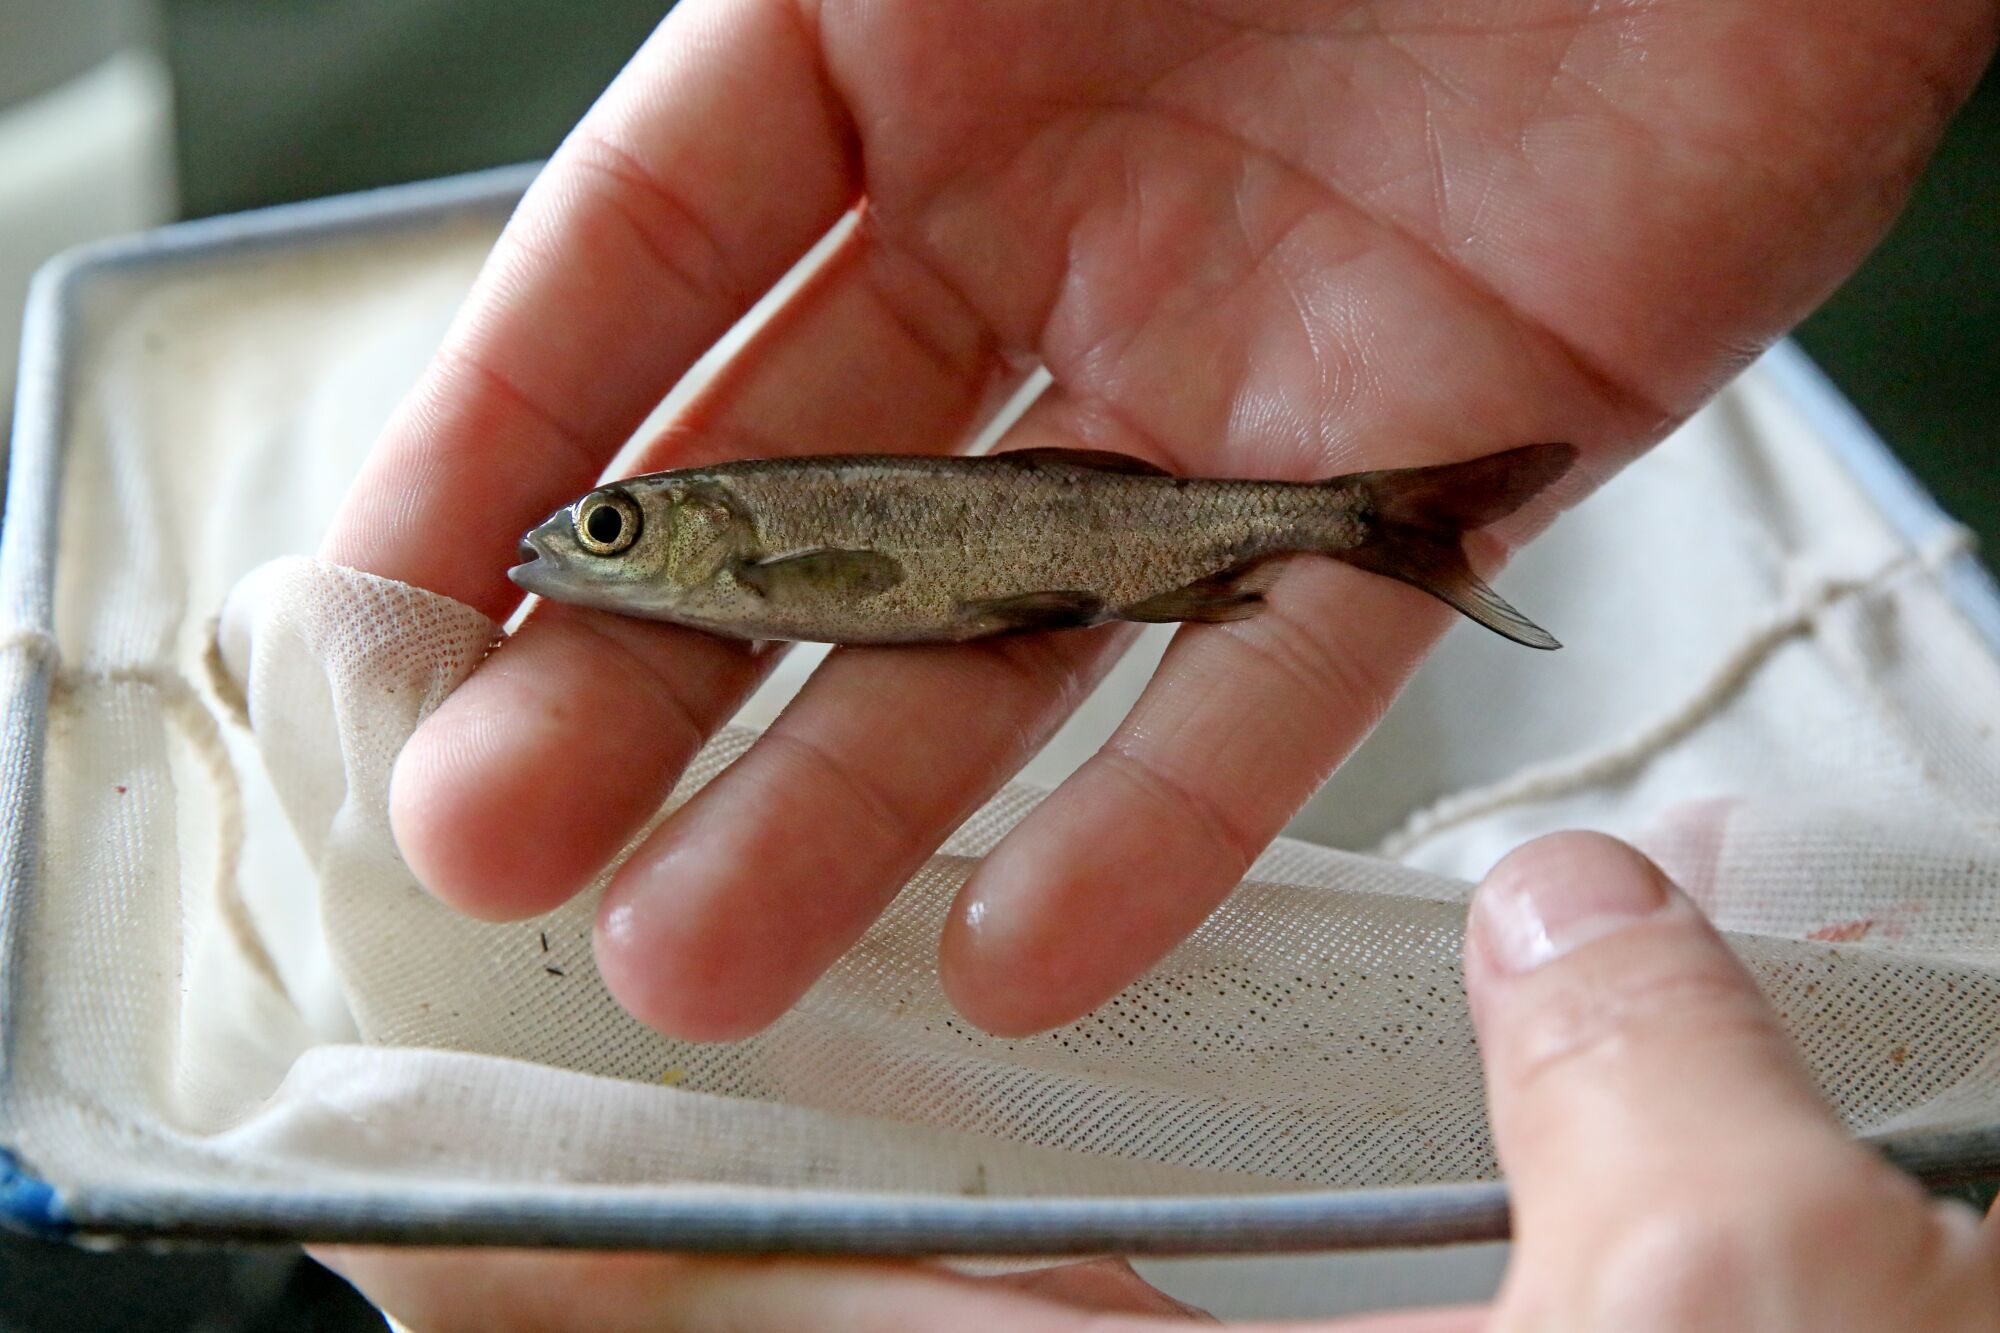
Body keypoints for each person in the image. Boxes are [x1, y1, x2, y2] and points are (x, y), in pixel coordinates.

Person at [315, 0, 2000, 1324]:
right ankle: (1364, 517)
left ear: (695, 533)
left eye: (614, 533)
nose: (581, 553)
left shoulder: (763, 531)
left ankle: (1370, 516)